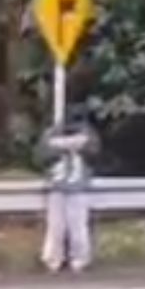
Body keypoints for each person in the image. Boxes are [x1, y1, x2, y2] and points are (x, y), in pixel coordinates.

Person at [37, 106, 100, 273]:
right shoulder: (51, 134)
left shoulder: (88, 134)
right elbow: (41, 156)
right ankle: (53, 260)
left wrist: (79, 145)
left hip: (78, 187)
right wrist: (62, 147)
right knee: (56, 227)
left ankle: (79, 260)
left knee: (78, 227)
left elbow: (95, 153)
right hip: (57, 186)